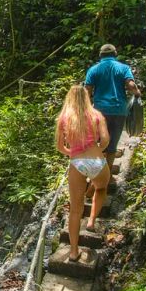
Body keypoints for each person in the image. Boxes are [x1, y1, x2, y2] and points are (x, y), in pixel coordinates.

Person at [55, 85, 111, 262]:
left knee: (75, 210)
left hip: (76, 163)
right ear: (87, 97)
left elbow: (60, 147)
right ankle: (92, 221)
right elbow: (106, 140)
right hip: (96, 160)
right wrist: (96, 150)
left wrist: (72, 152)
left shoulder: (64, 118)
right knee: (101, 188)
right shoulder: (96, 115)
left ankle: (73, 251)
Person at [84, 44, 141, 171]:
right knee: (112, 143)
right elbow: (131, 86)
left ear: (100, 55)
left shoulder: (93, 70)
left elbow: (87, 91)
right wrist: (137, 93)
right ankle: (108, 173)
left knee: (100, 142)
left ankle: (98, 172)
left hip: (99, 111)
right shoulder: (123, 68)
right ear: (115, 54)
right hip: (119, 110)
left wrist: (85, 108)